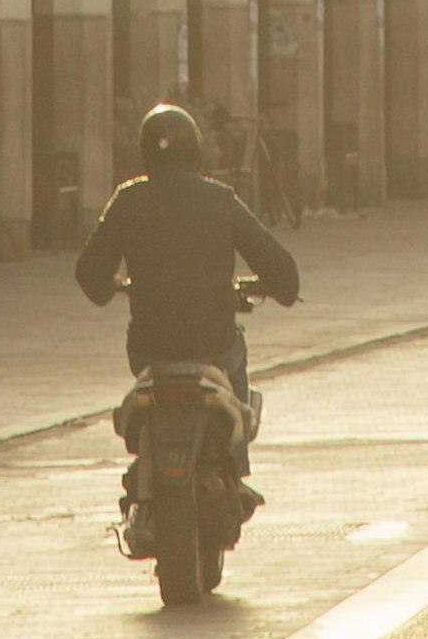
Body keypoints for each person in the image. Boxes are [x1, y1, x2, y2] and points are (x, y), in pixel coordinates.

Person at [75, 103, 298, 431]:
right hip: (215, 349)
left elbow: (89, 276)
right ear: (196, 151)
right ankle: (234, 469)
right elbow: (281, 271)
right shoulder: (221, 200)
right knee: (238, 390)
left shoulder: (128, 200)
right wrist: (277, 286)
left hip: (148, 350)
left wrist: (114, 284)